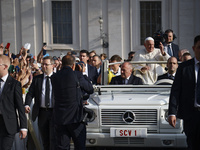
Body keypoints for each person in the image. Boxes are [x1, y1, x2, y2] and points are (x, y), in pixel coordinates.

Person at [51, 55, 93, 150]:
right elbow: (90, 89)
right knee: (79, 146)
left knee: (62, 147)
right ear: (73, 65)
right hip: (75, 118)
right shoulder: (77, 75)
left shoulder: (54, 77)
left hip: (60, 118)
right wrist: (83, 74)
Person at [168, 35, 200, 150]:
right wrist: (172, 112)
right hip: (191, 115)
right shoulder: (184, 68)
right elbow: (176, 90)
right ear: (193, 48)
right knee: (192, 144)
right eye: (199, 47)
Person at [25, 56, 55, 150]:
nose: (44, 66)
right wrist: (26, 104)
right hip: (42, 113)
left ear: (53, 66)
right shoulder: (37, 79)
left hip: (54, 112)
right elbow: (30, 93)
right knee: (45, 139)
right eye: (42, 64)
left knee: (54, 139)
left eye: (46, 64)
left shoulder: (57, 78)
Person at [0, 54, 27, 150]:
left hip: (8, 126)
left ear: (5, 67)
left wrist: (23, 127)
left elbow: (20, 106)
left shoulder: (15, 84)